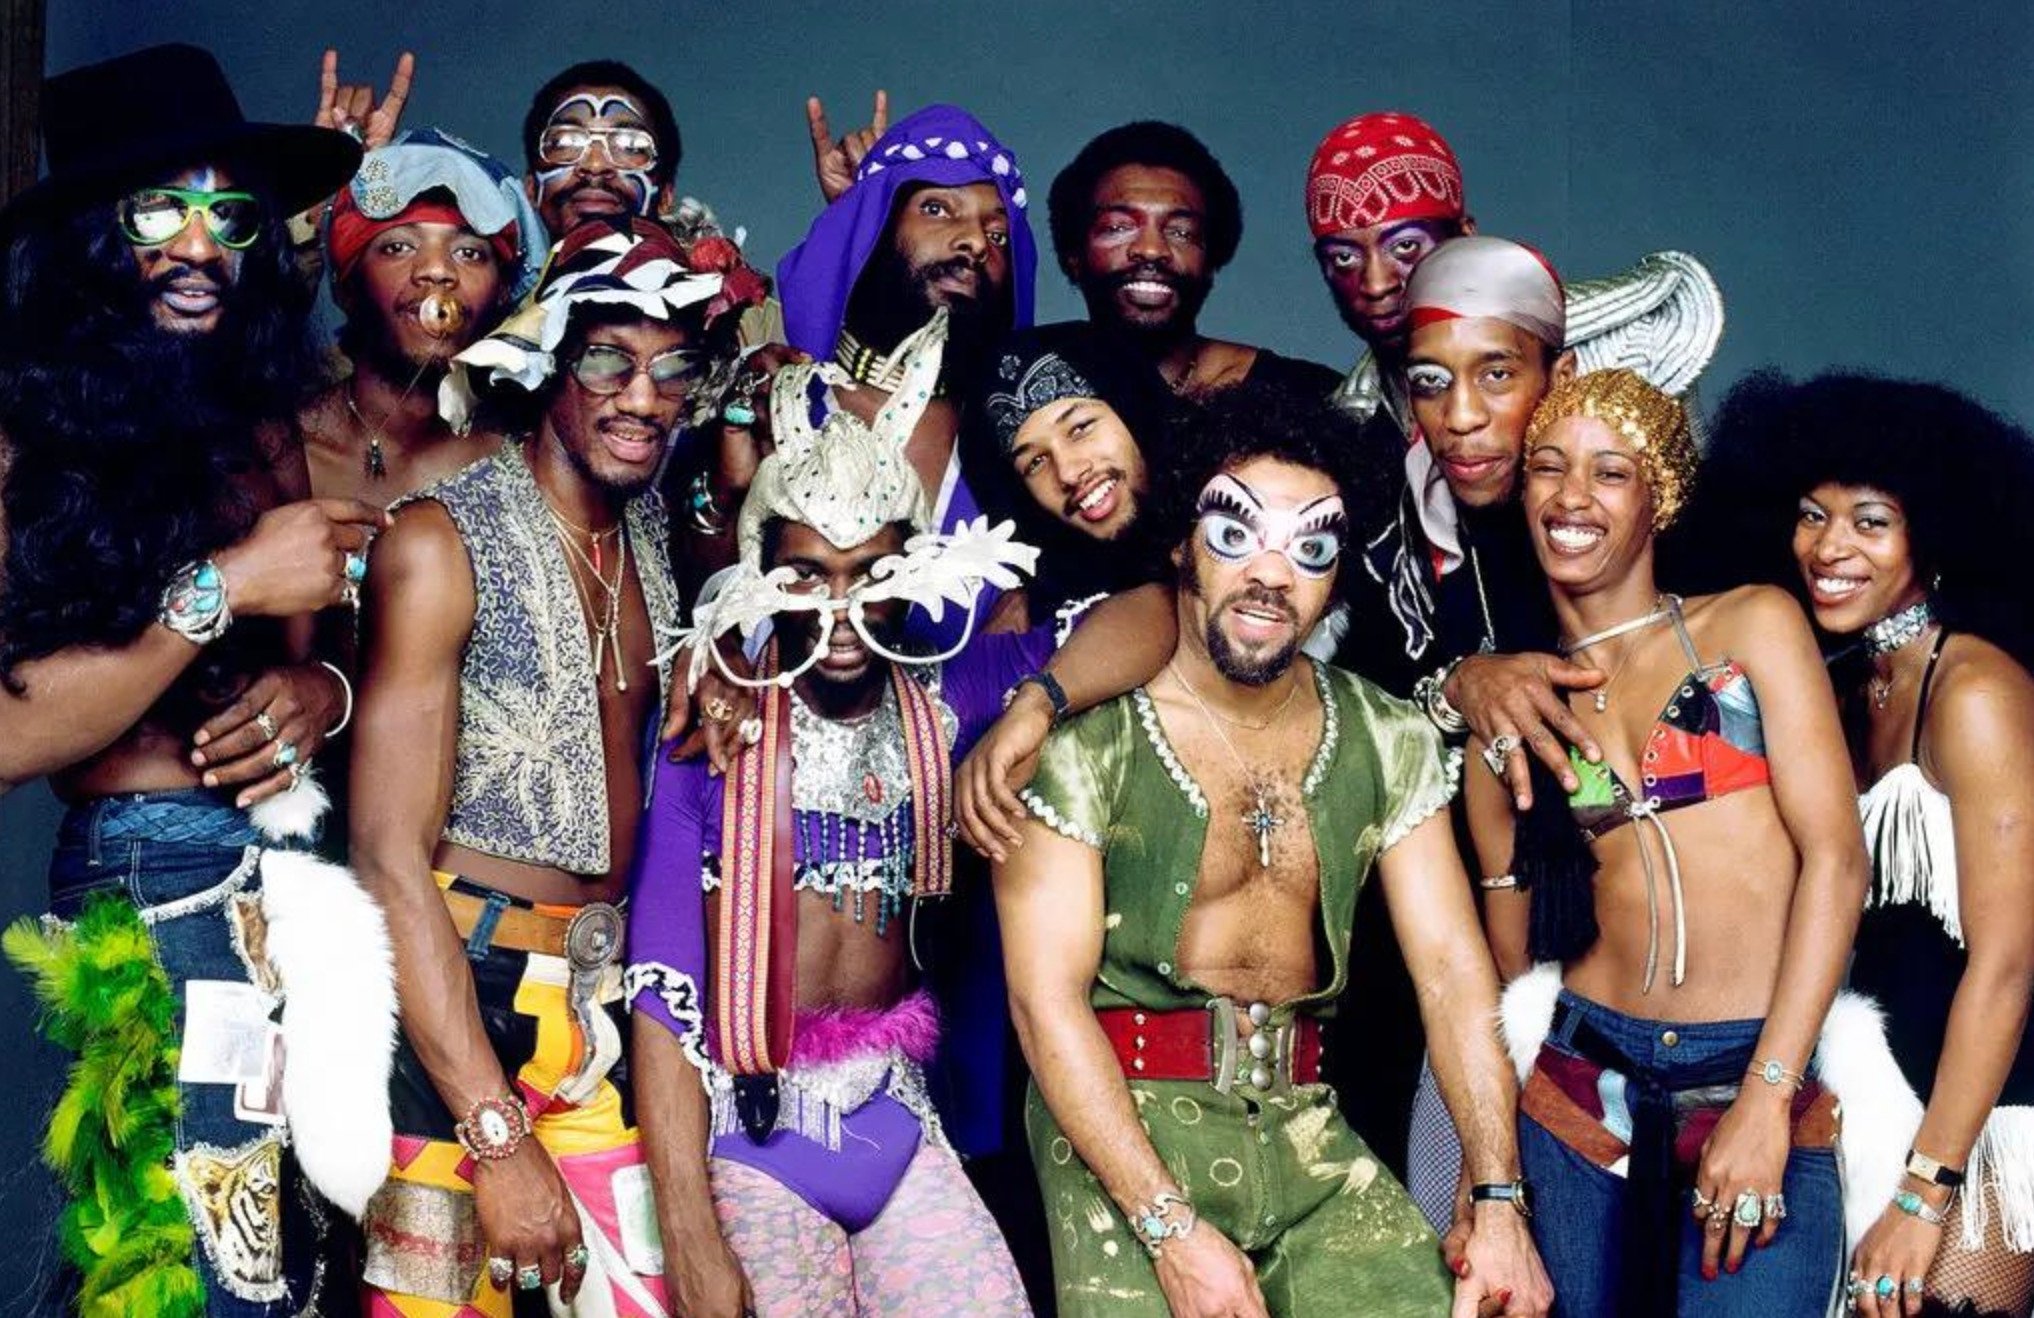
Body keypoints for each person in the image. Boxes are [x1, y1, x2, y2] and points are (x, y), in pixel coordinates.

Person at [996, 385, 1552, 1317]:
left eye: (1312, 547)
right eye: (1235, 536)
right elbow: (1042, 1002)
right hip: (1118, 1132)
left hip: (1304, 1130)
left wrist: (1497, 1199)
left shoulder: (1388, 737)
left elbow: (1455, 973)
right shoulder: (1084, 743)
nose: (1270, 574)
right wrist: (1170, 1231)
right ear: (1181, 543)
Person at [0, 42, 393, 1317]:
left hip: (293, 876)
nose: (199, 243)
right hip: (149, 881)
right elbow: (7, 739)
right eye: (159, 209)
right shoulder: (24, 425)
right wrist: (220, 586)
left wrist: (318, 696)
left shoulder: (262, 410)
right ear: (94, 240)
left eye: (229, 214)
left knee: (294, 1260)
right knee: (186, 1265)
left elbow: (322, 632)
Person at [348, 219, 759, 1315]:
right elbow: (388, 859)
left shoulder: (655, 545)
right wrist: (492, 1133)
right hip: (456, 1001)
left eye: (674, 369)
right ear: (547, 365)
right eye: (608, 360)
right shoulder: (439, 541)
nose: (644, 395)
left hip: (600, 1003)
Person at [629, 312, 1039, 1316]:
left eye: (874, 574)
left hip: (893, 1118)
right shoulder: (711, 724)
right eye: (807, 575)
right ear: (761, 570)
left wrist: (1042, 703)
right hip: (751, 1128)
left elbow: (1144, 617)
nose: (842, 609)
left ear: (918, 570)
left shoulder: (948, 693)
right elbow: (657, 990)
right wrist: (688, 1229)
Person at [1465, 369, 1867, 1315]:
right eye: (1549, 469)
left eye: (1611, 473)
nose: (1572, 497)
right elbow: (1501, 961)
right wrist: (1489, 1174)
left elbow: (1839, 864)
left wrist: (1770, 1096)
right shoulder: (1519, 702)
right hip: (1578, 1089)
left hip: (1753, 1067)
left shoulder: (1751, 624)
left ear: (1660, 498)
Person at [1701, 372, 2034, 1318]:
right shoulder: (1847, 688)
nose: (1829, 548)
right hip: (1874, 1095)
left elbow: (2009, 964)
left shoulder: (1974, 694)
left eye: (1870, 522)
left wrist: (1929, 1190)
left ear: (1934, 535)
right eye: (1813, 515)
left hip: (1991, 1115)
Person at [301, 127, 545, 505]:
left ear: (502, 293)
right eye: (398, 247)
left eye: (469, 253)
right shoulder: (277, 455)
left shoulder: (524, 469)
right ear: (348, 284)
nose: (436, 270)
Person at [1049, 121, 1339, 399]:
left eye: (1181, 232)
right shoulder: (1026, 393)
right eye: (1118, 228)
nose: (1152, 249)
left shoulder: (1303, 395)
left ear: (1212, 259)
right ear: (1073, 255)